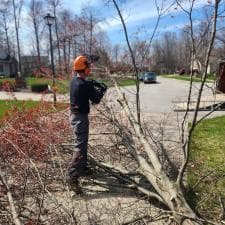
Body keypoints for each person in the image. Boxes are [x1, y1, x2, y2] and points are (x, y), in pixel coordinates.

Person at [67, 55, 106, 194]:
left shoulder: (74, 81)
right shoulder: (85, 85)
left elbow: (84, 85)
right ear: (85, 69)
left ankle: (82, 169)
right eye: (89, 66)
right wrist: (102, 90)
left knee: (82, 143)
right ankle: (72, 176)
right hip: (81, 118)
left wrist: (91, 83)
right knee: (80, 146)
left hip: (74, 115)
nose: (90, 68)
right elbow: (96, 99)